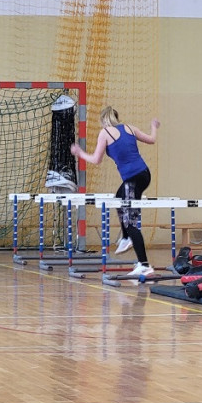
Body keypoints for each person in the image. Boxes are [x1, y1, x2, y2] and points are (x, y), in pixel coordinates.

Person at [71, 107, 160, 278]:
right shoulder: (130, 128)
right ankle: (126, 238)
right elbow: (151, 140)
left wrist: (80, 153)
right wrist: (153, 127)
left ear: (103, 120)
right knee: (119, 198)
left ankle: (144, 265)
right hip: (144, 174)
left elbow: (96, 160)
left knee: (131, 223)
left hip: (133, 178)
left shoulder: (105, 133)